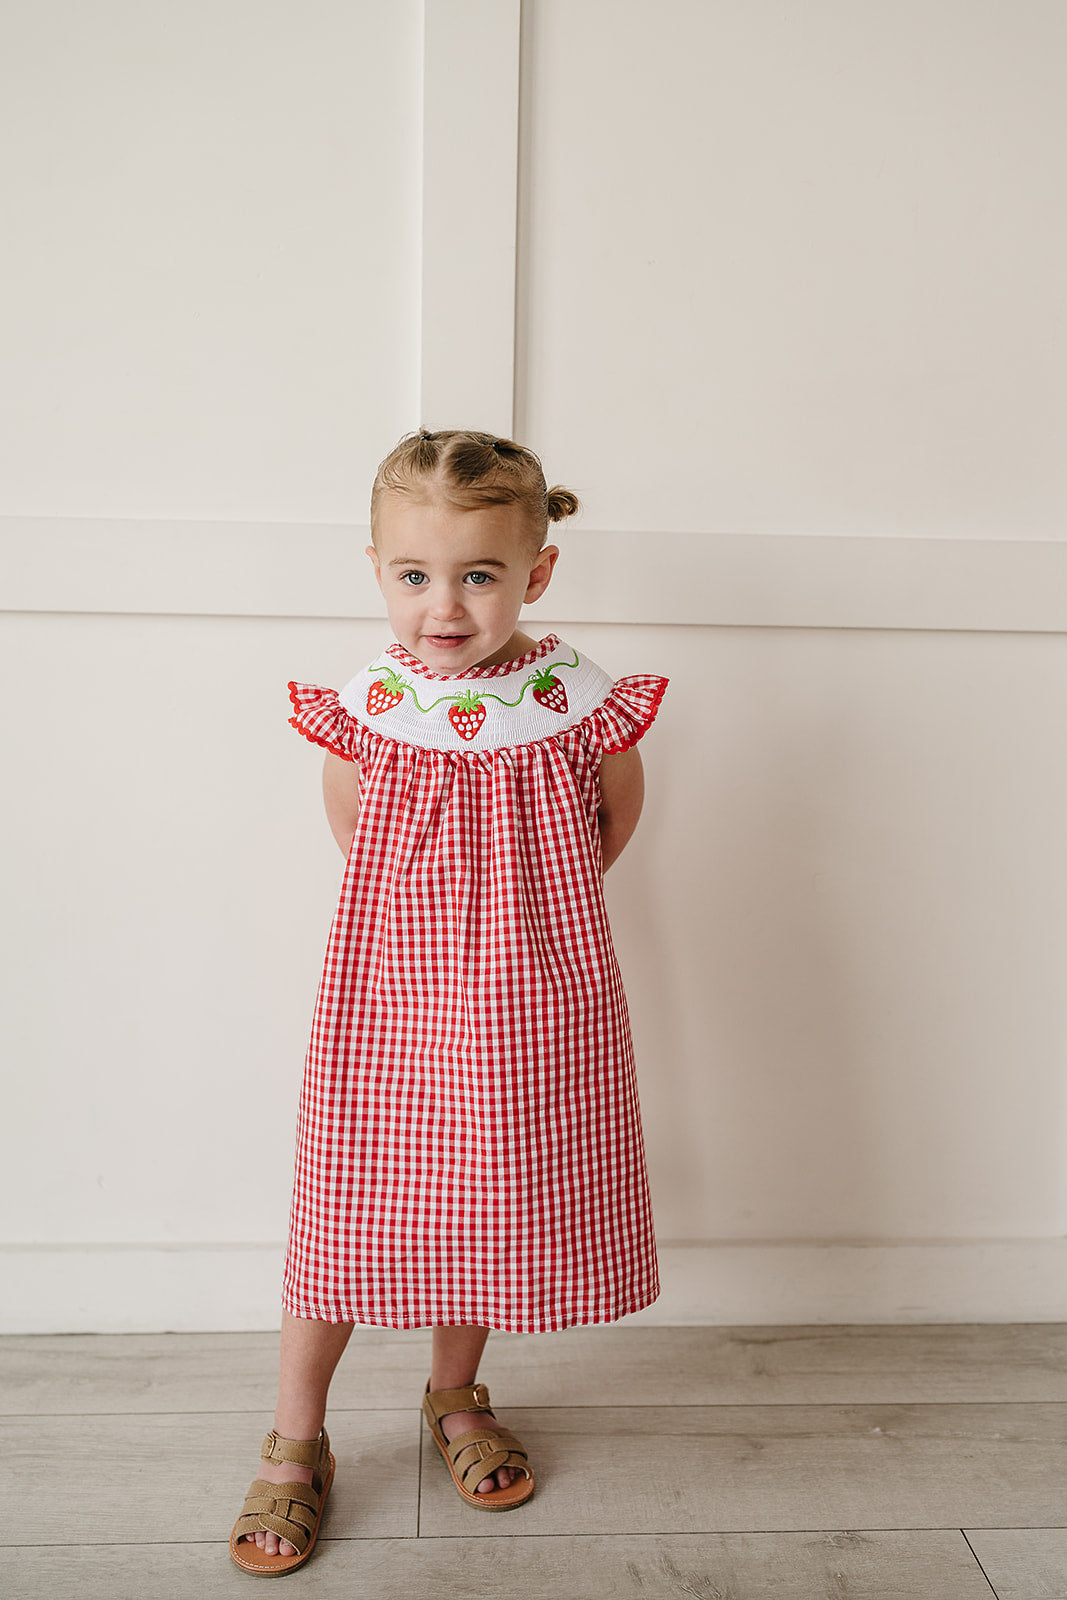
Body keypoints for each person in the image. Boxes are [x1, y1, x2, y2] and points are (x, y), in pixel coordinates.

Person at [230, 429, 668, 1575]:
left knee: (486, 1193)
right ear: (375, 568)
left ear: (536, 571)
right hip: (387, 1000)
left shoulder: (576, 703)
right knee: (348, 1206)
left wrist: (521, 927)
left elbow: (608, 822)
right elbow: (356, 832)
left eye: (477, 574)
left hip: (529, 997)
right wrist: (433, 940)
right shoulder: (373, 706)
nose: (444, 605)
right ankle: (296, 1435)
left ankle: (454, 1392)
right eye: (414, 574)